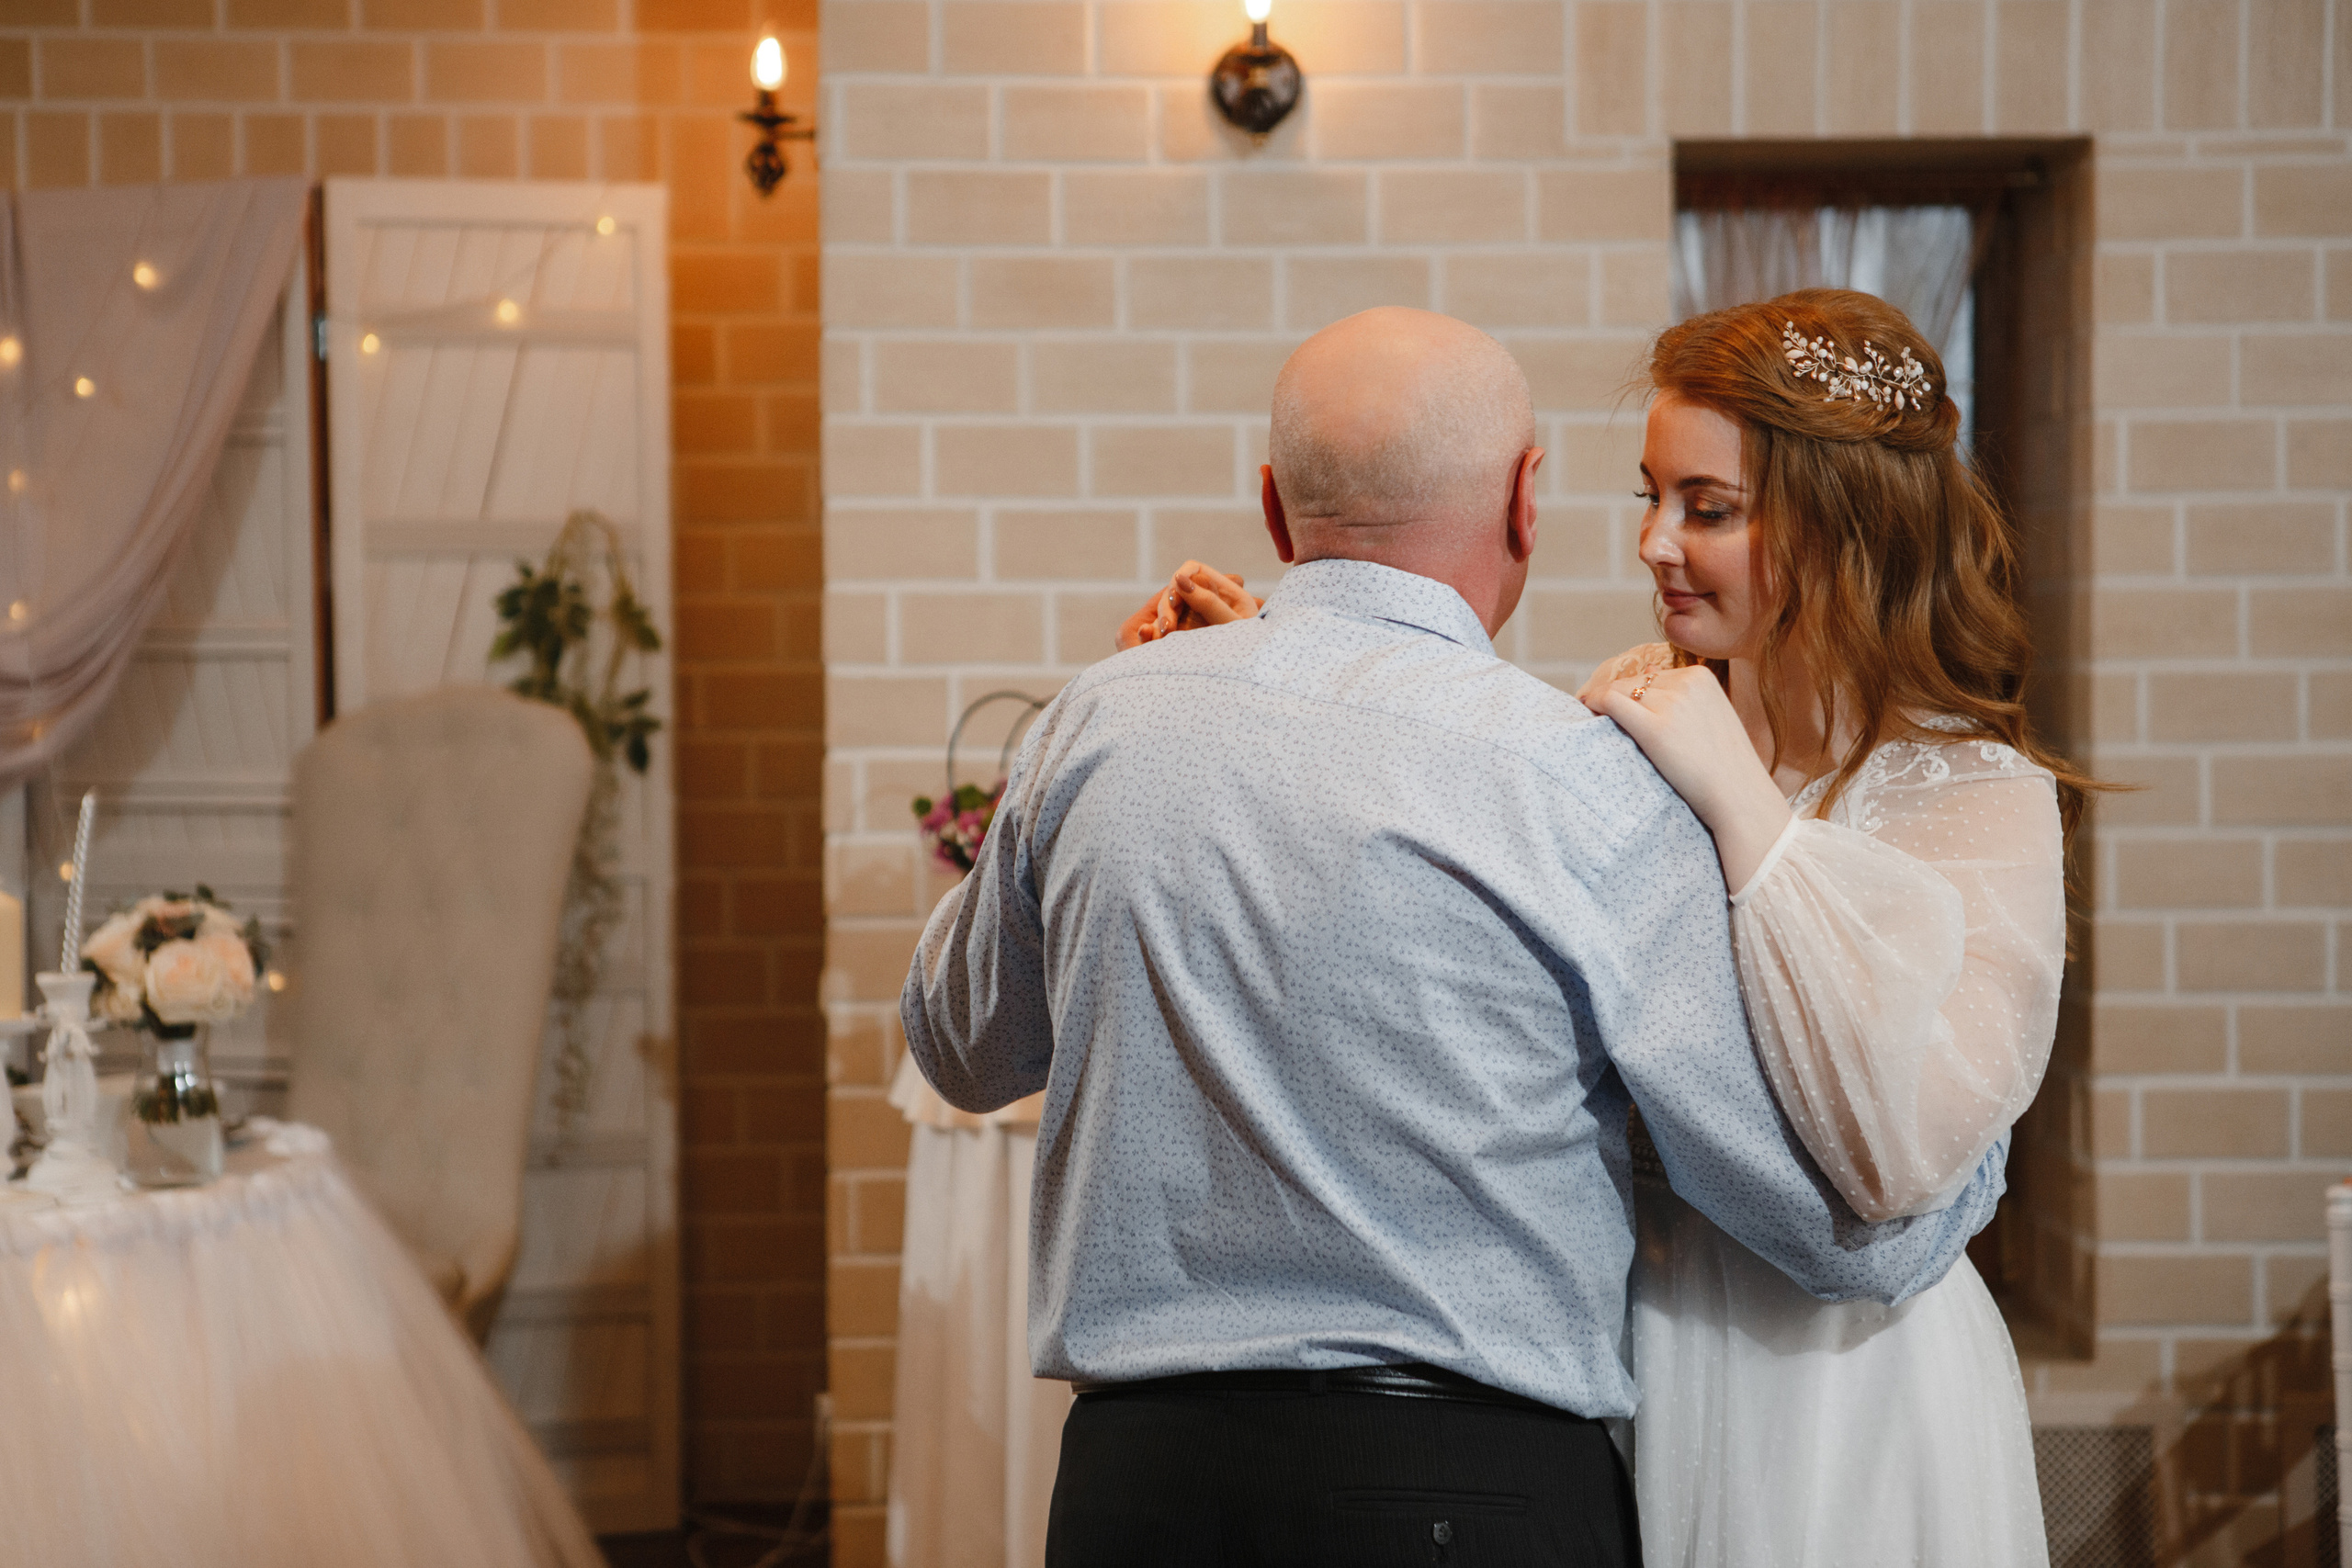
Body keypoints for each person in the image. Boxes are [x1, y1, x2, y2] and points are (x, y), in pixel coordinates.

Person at [901, 305, 2007, 1568]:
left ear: (1276, 509)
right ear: (1525, 502)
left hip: (1137, 1488)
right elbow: (1794, 1206)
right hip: (1463, 1490)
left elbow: (956, 1045)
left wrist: (1108, 757)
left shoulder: (1096, 722)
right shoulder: (1580, 779)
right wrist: (1961, 1183)